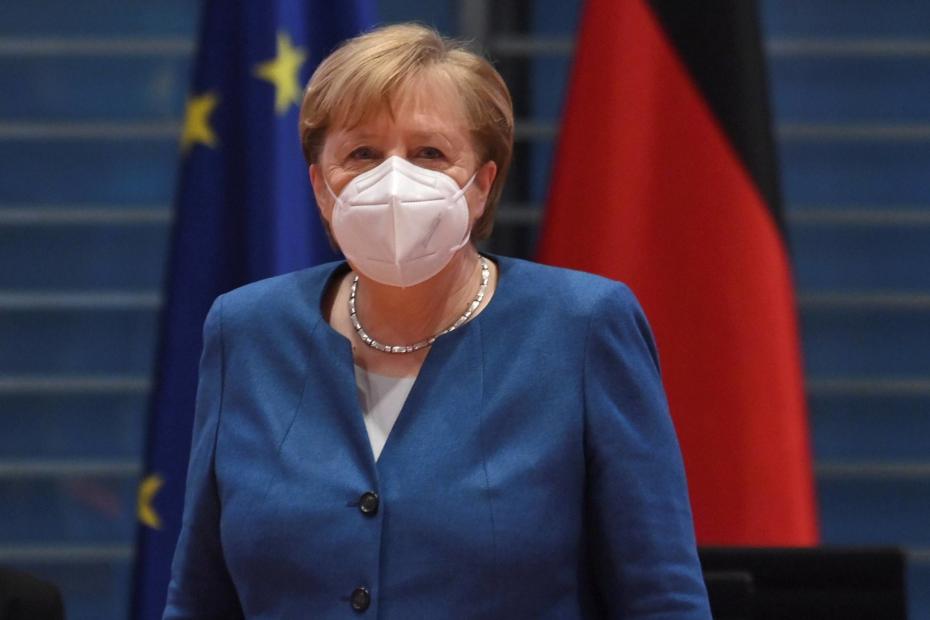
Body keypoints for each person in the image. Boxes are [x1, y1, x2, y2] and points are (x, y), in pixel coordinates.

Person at [164, 23, 711, 619]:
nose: (395, 182)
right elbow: (200, 599)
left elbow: (663, 599)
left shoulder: (581, 327)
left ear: (481, 185)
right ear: (321, 187)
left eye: (429, 154)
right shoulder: (246, 329)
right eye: (362, 154)